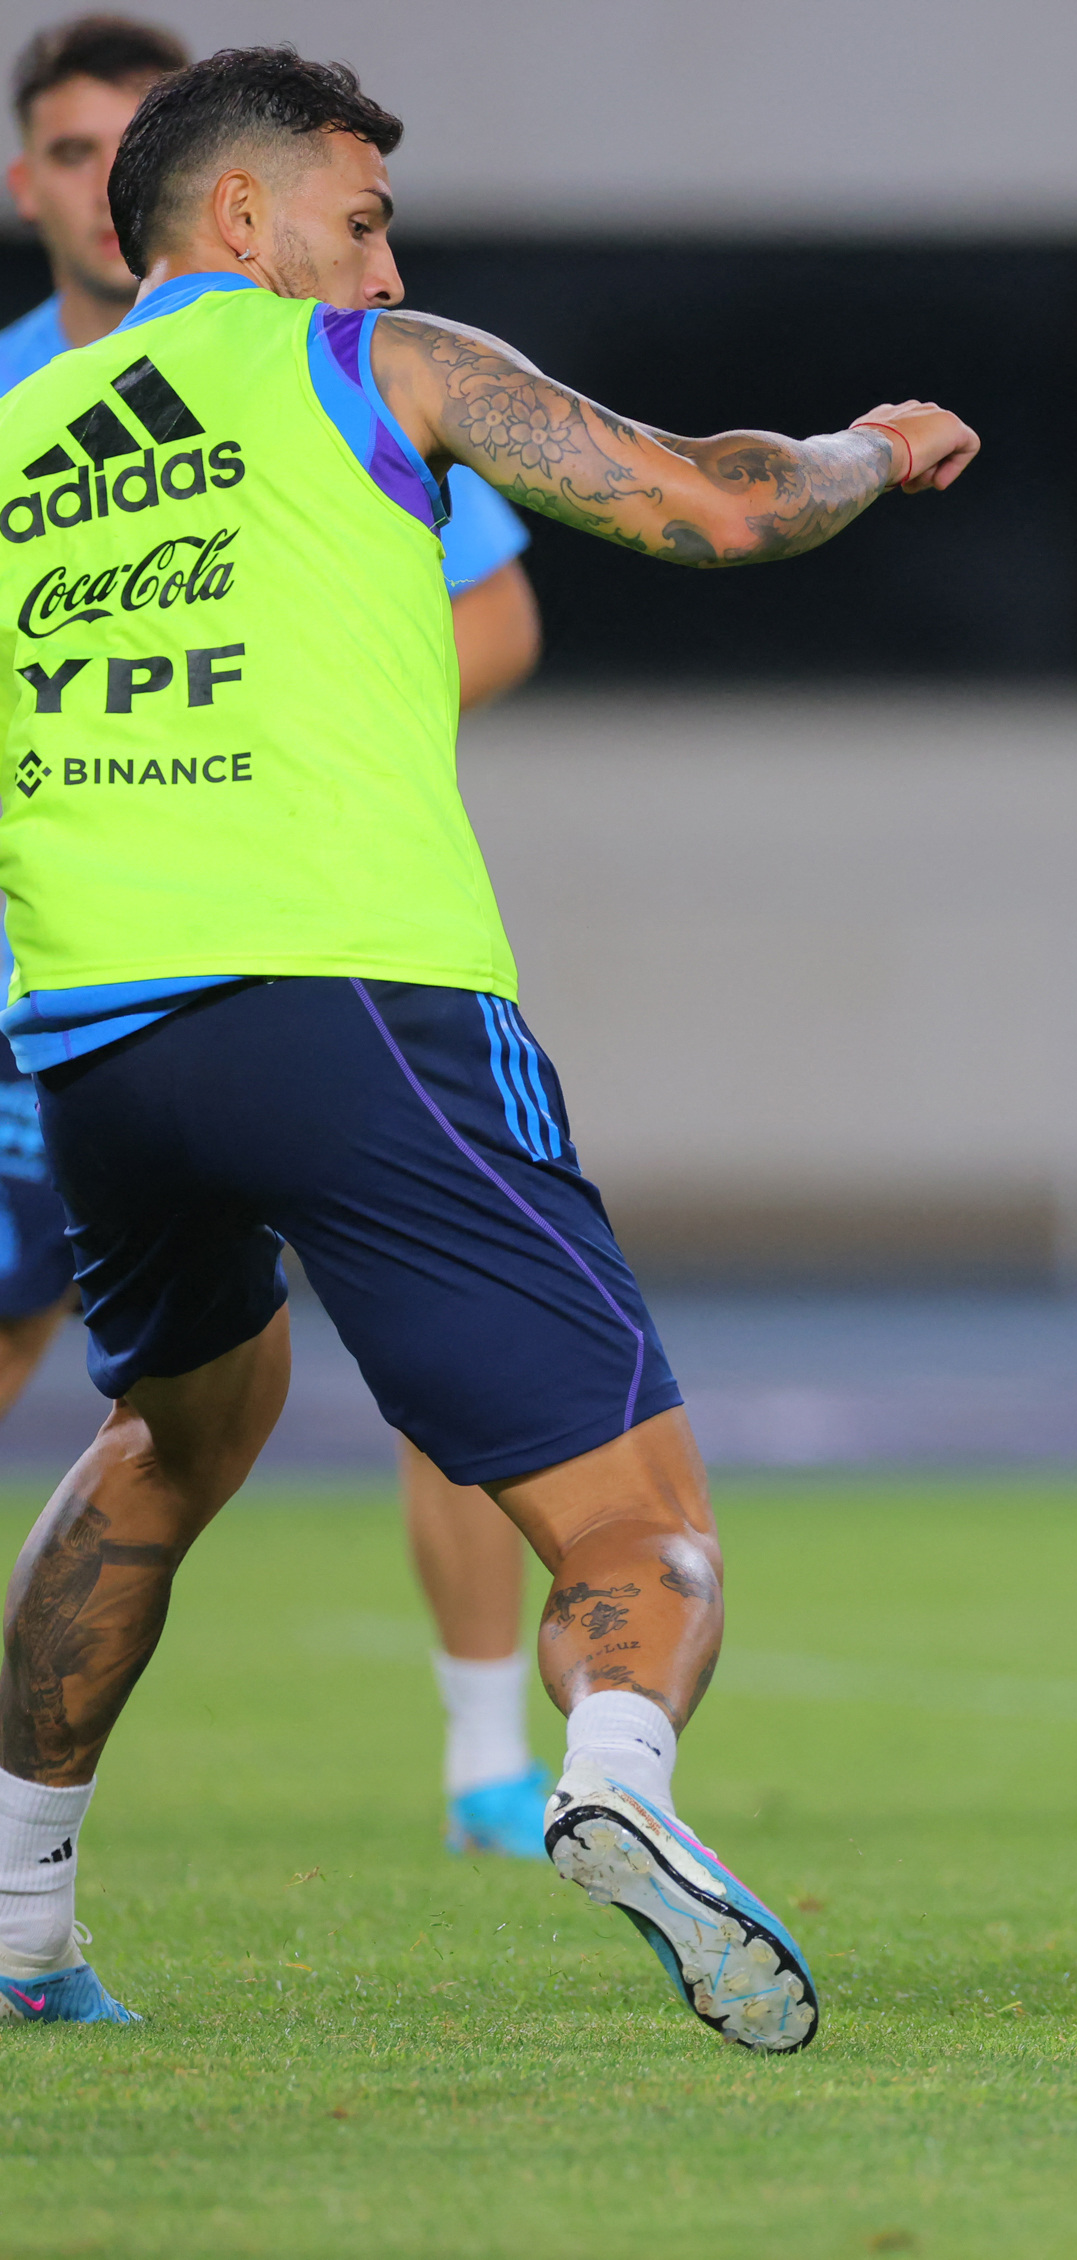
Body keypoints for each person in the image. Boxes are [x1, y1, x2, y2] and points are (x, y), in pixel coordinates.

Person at [0, 46, 976, 2043]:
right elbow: (715, 505)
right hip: (353, 1008)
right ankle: (611, 1776)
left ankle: (16, 1915)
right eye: (359, 221)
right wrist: (870, 450)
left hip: (93, 1047)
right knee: (636, 1523)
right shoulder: (367, 362)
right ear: (244, 217)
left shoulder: (18, 437)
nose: (386, 261)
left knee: (170, 1437)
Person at [0, 15, 561, 1869]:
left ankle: (483, 1754)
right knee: (130, 1404)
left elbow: (493, 617)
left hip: (271, 940)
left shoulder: (330, 371)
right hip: (78, 969)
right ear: (34, 185)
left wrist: (271, 731)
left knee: (421, 1362)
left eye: (116, 146)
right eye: (64, 151)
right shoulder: (19, 403)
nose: (91, 183)